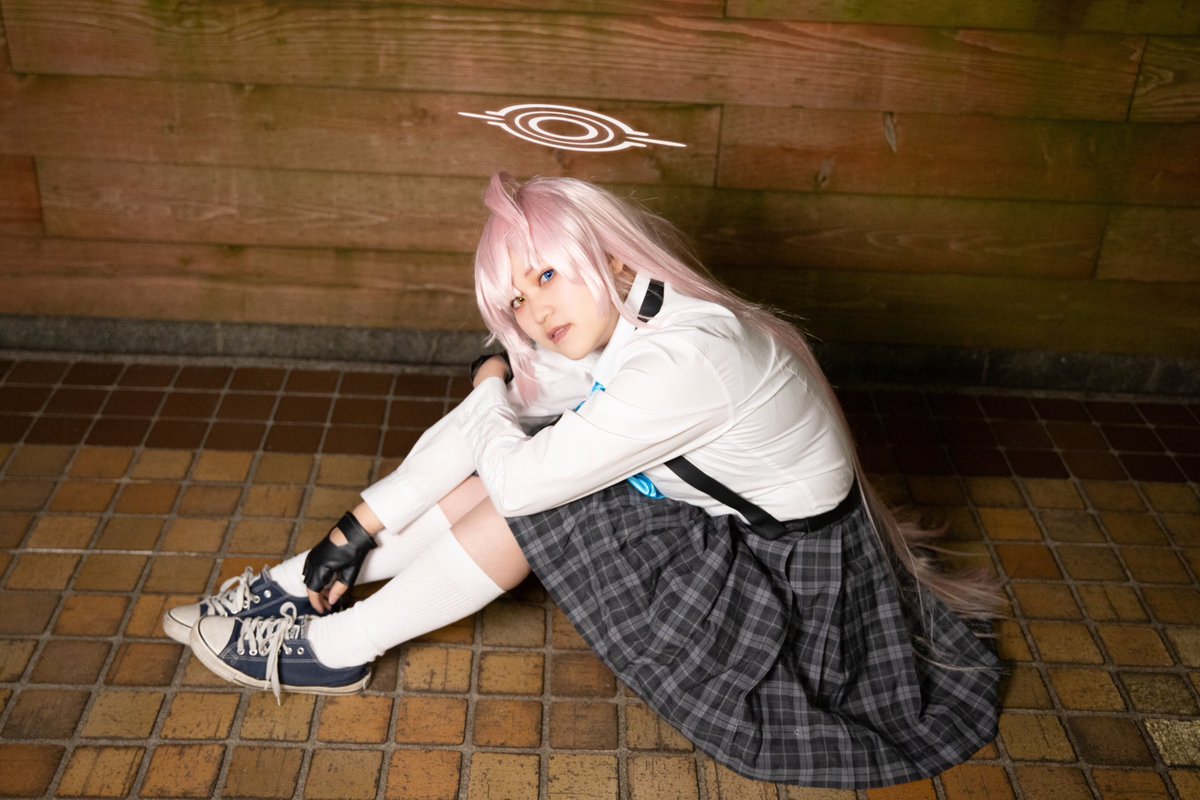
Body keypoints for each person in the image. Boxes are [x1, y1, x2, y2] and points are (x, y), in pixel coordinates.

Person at [168, 172, 1000, 789]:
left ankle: (332, 649)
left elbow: (514, 474)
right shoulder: (635, 318)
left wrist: (488, 380)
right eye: (515, 300)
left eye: (546, 276)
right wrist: (348, 534)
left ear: (605, 253)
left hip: (799, 607)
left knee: (535, 492)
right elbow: (482, 432)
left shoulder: (684, 359)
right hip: (756, 546)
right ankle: (294, 593)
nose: (533, 312)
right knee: (519, 458)